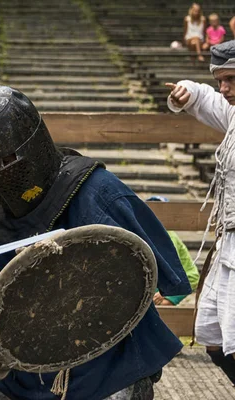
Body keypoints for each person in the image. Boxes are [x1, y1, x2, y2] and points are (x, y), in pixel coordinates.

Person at [0, 86, 191, 399]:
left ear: (33, 147)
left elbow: (144, 270)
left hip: (105, 359)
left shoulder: (97, 193)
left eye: (7, 161)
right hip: (28, 360)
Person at [165, 40, 235, 385]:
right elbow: (208, 99)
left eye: (232, 79)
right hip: (228, 242)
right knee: (215, 340)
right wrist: (187, 92)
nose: (224, 88)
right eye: (220, 79)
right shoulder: (233, 111)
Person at [146, 196, 200, 306]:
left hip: (168, 288)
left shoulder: (170, 237)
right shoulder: (144, 234)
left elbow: (191, 276)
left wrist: (167, 296)